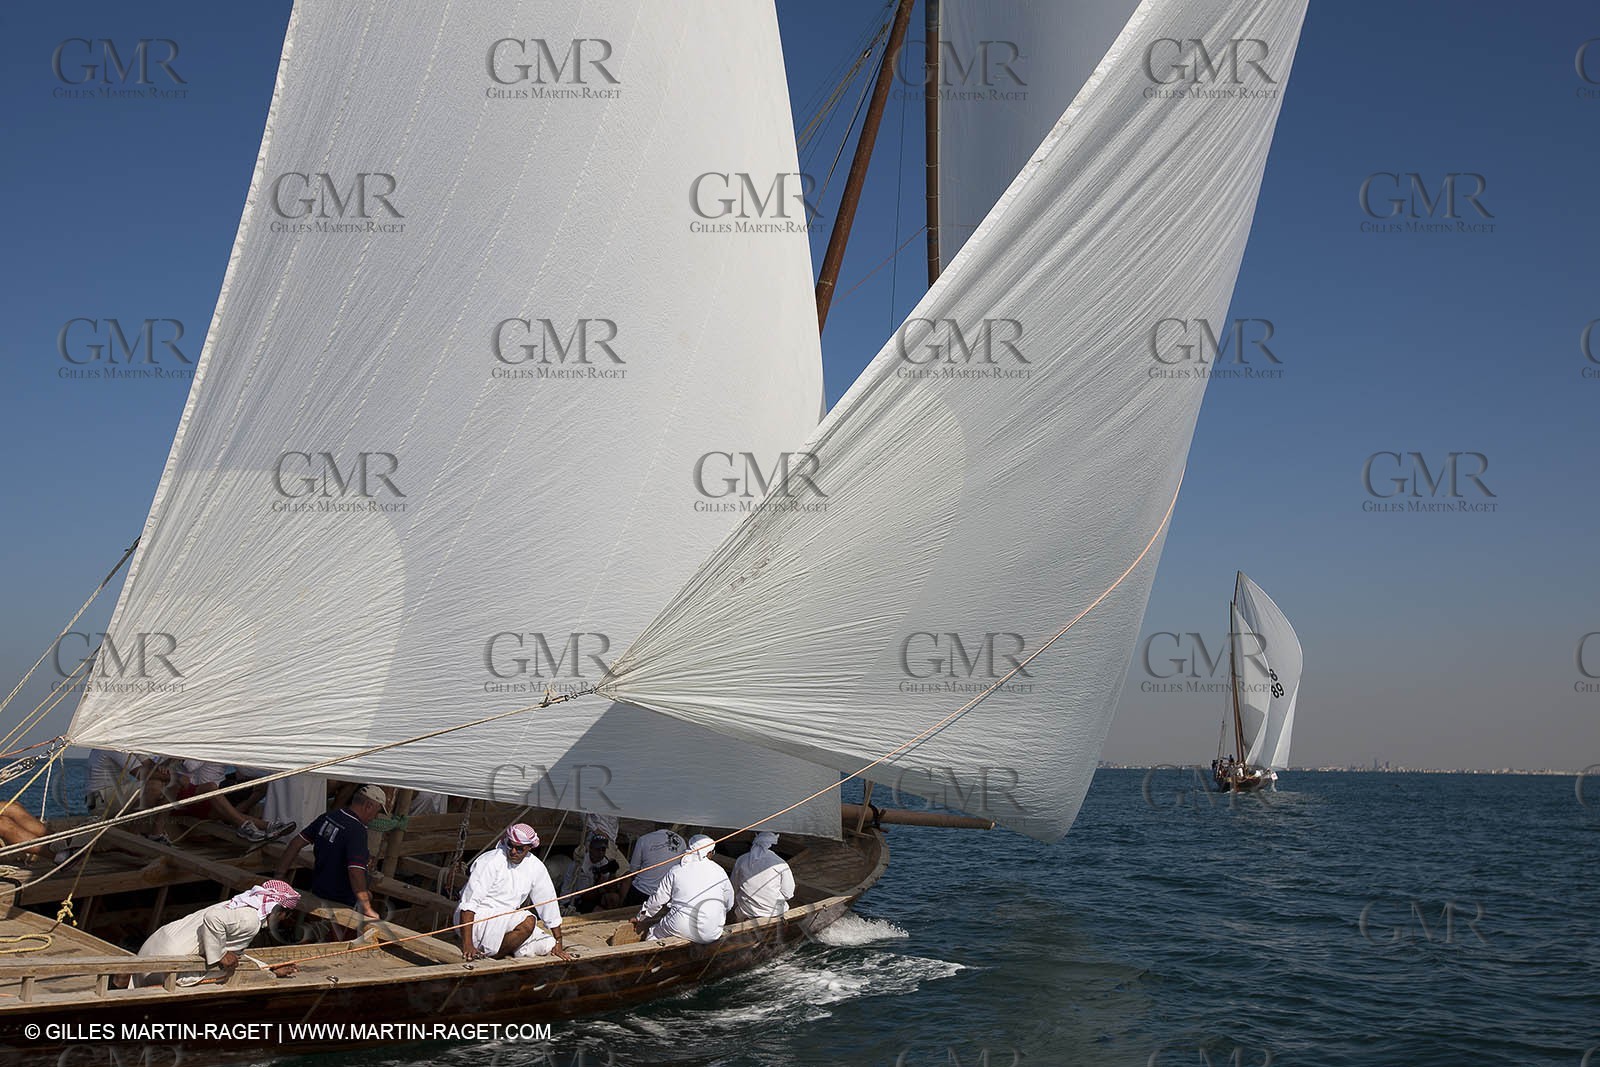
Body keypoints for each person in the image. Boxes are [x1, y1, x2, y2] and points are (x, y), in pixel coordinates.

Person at [136, 880, 301, 986]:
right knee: (232, 971)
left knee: (231, 962)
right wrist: (221, 953)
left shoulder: (235, 904)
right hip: (166, 966)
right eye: (287, 914)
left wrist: (268, 968)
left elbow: (234, 952)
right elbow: (213, 919)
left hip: (149, 950)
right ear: (280, 911)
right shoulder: (250, 920)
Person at [456, 823, 571, 961]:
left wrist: (558, 941)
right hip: (476, 920)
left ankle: (501, 951)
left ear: (529, 848)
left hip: (506, 920)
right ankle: (492, 958)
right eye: (510, 845)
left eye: (519, 848)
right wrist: (467, 945)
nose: (513, 851)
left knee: (548, 945)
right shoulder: (490, 861)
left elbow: (548, 902)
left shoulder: (535, 867)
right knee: (528, 922)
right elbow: (469, 904)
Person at [275, 783, 387, 920]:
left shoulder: (330, 815)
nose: (375, 817)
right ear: (368, 806)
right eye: (377, 812)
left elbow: (296, 843)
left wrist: (279, 875)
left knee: (368, 894)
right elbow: (355, 872)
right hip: (340, 898)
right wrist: (367, 908)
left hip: (318, 887)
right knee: (368, 899)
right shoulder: (357, 831)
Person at [632, 835, 733, 944]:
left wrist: (640, 917)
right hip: (712, 933)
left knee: (653, 933)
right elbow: (729, 903)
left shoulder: (676, 870)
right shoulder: (720, 871)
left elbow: (656, 901)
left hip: (679, 926)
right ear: (709, 853)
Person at [173, 759, 292, 842]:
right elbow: (190, 766)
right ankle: (258, 825)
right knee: (212, 789)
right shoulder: (207, 745)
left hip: (214, 788)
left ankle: (238, 819)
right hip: (206, 791)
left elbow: (244, 771)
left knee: (261, 785)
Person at [731, 832, 794, 920]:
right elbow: (788, 894)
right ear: (772, 845)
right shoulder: (781, 863)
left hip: (747, 911)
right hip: (774, 912)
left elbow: (734, 887)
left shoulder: (741, 860)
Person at [559, 832, 625, 914]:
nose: (600, 853)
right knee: (599, 912)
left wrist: (612, 873)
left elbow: (611, 889)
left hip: (592, 894)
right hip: (572, 900)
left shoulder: (603, 861)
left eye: (603, 850)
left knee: (614, 898)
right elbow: (586, 895)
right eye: (597, 849)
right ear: (590, 848)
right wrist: (600, 886)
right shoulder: (581, 865)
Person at [626, 825, 686, 906]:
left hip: (641, 892)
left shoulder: (644, 839)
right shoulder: (682, 842)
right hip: (664, 896)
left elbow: (633, 870)